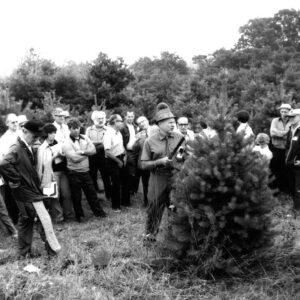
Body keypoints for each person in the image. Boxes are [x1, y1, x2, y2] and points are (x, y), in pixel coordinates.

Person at [0, 120, 61, 258]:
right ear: (25, 131)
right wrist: (16, 179)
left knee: (26, 220)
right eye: (34, 136)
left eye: (38, 137)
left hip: (27, 191)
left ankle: (23, 253)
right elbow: (3, 163)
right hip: (27, 192)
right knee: (44, 219)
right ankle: (54, 252)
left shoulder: (25, 146)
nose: (37, 139)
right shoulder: (16, 148)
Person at [141, 103, 185, 242]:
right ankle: (150, 237)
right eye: (169, 122)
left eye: (174, 122)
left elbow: (186, 157)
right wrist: (159, 162)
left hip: (175, 178)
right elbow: (143, 164)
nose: (173, 125)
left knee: (176, 209)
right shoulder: (150, 141)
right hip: (158, 178)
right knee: (154, 209)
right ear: (160, 123)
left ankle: (176, 239)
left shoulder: (180, 138)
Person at [63, 118, 107, 222]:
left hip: (85, 171)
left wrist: (82, 152)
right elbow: (74, 158)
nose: (77, 130)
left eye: (78, 128)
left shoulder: (85, 137)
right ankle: (80, 216)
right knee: (76, 196)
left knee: (92, 193)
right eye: (74, 129)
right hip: (74, 173)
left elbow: (93, 150)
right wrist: (87, 154)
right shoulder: (66, 142)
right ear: (69, 129)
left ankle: (99, 213)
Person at [37, 124, 65, 223]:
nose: (53, 135)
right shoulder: (43, 147)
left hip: (61, 170)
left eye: (54, 133)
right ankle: (58, 217)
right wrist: (54, 156)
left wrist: (62, 155)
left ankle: (64, 214)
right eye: (51, 133)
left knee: (64, 194)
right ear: (47, 134)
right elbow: (43, 164)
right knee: (54, 196)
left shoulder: (59, 143)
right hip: (50, 174)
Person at [103, 114, 130, 211]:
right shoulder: (108, 134)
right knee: (116, 183)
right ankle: (116, 206)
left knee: (125, 180)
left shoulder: (118, 132)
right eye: (120, 121)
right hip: (113, 160)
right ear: (114, 122)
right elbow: (107, 152)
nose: (122, 122)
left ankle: (125, 202)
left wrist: (125, 155)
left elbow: (121, 146)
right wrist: (118, 161)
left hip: (122, 157)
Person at [132, 116, 157, 207]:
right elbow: (134, 148)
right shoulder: (139, 134)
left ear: (147, 121)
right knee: (145, 183)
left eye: (143, 121)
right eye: (139, 123)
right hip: (144, 162)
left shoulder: (155, 129)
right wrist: (136, 140)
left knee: (155, 182)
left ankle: (156, 201)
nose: (142, 124)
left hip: (156, 160)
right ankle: (147, 202)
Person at [85, 111, 111, 199]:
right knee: (92, 175)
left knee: (106, 175)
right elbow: (86, 142)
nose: (100, 120)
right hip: (92, 156)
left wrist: (93, 143)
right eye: (98, 118)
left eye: (102, 118)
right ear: (94, 119)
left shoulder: (107, 129)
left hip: (104, 155)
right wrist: (100, 142)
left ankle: (108, 195)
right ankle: (94, 195)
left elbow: (106, 143)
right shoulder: (89, 129)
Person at [0, 113, 20, 224]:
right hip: (11, 169)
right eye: (13, 122)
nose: (15, 124)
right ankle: (15, 219)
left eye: (16, 121)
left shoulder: (21, 134)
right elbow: (3, 157)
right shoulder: (4, 139)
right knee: (12, 195)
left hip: (22, 167)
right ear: (7, 123)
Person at [270, 103, 292, 193]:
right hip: (276, 148)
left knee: (286, 169)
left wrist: (278, 133)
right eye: (282, 111)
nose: (283, 113)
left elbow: (291, 135)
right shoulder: (275, 120)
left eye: (285, 111)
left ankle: (285, 189)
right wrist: (285, 133)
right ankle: (275, 189)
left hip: (288, 149)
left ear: (289, 112)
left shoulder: (292, 121)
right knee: (275, 169)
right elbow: (272, 133)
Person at [285, 109, 300, 213]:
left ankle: (297, 211)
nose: (291, 119)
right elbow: (287, 146)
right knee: (292, 187)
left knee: (298, 189)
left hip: (298, 164)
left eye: (293, 117)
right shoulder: (291, 129)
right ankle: (295, 206)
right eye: (289, 117)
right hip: (290, 163)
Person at [120, 111, 139, 195]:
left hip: (136, 151)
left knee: (136, 170)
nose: (130, 118)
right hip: (127, 151)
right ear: (125, 117)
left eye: (132, 116)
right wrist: (125, 152)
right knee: (130, 170)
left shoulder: (135, 127)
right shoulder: (122, 127)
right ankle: (128, 189)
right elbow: (120, 141)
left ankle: (133, 189)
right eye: (128, 116)